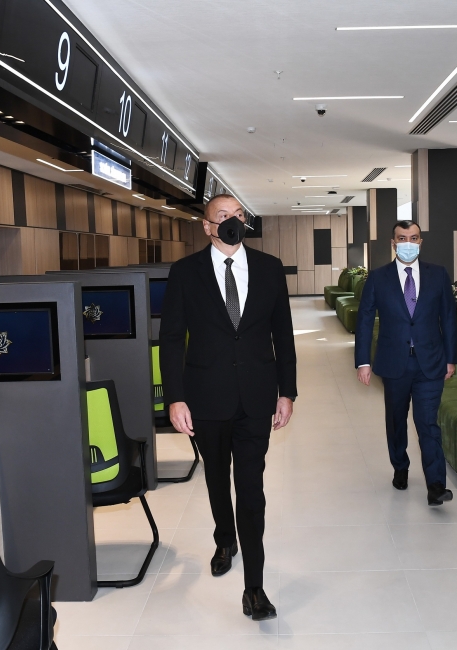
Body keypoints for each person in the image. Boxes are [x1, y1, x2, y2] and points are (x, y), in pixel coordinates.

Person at [160, 194, 297, 621]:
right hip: (206, 396)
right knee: (217, 478)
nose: (232, 222)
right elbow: (171, 339)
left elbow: (283, 334)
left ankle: (254, 588)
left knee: (251, 489)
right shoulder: (185, 272)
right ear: (206, 226)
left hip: (257, 396)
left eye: (238, 215)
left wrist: (287, 391)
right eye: (222, 216)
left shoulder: (270, 268)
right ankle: (225, 538)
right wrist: (175, 397)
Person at [354, 220, 457, 506]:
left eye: (413, 237)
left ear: (420, 241)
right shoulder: (378, 278)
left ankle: (436, 485)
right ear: (393, 243)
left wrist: (451, 358)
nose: (408, 243)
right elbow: (364, 321)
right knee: (396, 420)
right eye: (402, 238)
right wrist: (363, 362)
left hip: (430, 363)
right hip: (394, 363)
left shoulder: (438, 274)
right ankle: (400, 466)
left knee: (428, 423)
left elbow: (449, 318)